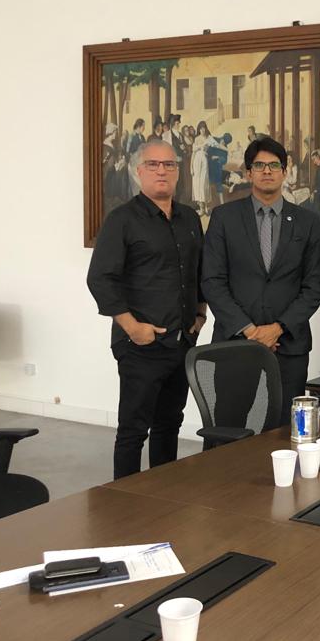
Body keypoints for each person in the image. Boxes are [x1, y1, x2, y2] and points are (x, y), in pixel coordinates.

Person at [87, 139, 207, 479]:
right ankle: (124, 501)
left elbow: (198, 271)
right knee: (133, 430)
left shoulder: (189, 218)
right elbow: (100, 278)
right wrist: (132, 327)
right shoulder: (122, 220)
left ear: (178, 172)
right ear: (139, 171)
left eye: (169, 164)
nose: (161, 171)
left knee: (169, 424)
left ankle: (163, 494)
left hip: (182, 342)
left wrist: (200, 313)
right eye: (153, 164)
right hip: (141, 345)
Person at [202, 136, 320, 425]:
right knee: (228, 428)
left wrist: (277, 328)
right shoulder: (224, 218)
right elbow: (212, 280)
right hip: (234, 342)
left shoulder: (307, 222)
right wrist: (249, 330)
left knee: (284, 430)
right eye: (259, 165)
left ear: (285, 171)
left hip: (289, 346)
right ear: (248, 173)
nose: (267, 171)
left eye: (274, 165)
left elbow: (314, 286)